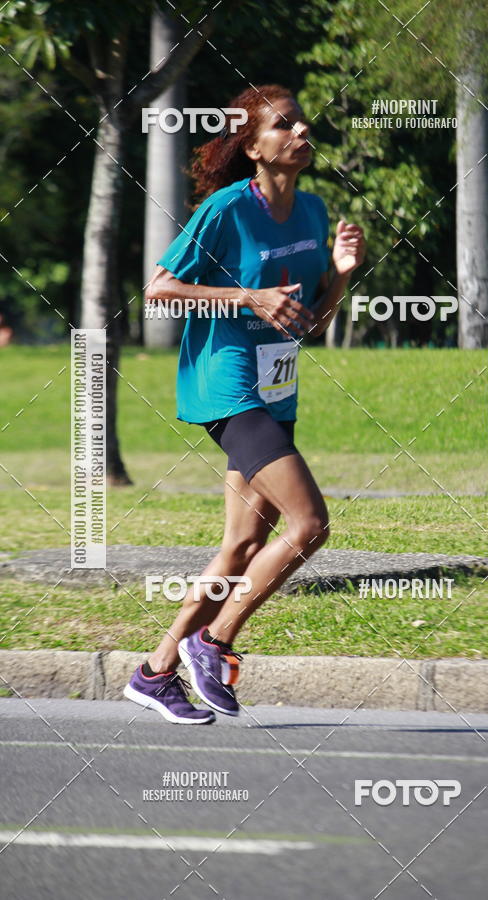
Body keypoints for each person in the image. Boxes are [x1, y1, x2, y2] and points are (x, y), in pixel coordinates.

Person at [124, 84, 365, 724]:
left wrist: (341, 275)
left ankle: (155, 673)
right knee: (309, 524)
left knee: (241, 545)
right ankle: (215, 641)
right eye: (284, 125)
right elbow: (158, 289)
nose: (301, 131)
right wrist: (246, 297)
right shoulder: (227, 210)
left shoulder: (312, 211)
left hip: (276, 387)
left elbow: (310, 323)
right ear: (254, 147)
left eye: (302, 122)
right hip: (225, 383)